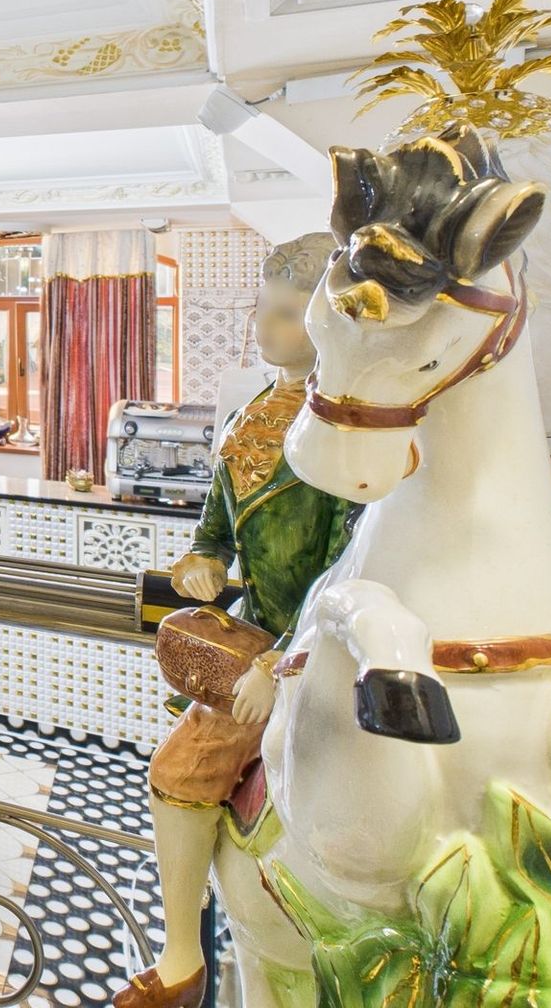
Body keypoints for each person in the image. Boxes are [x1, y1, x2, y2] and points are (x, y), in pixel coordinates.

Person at [114, 234, 353, 1008]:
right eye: (262, 309)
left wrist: (277, 661)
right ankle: (188, 947)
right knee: (179, 769)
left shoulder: (341, 432)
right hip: (254, 635)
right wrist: (202, 565)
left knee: (178, 768)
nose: (265, 327)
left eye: (287, 314)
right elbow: (214, 536)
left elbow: (346, 568)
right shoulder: (248, 419)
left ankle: (181, 958)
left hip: (315, 645)